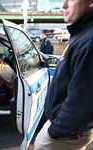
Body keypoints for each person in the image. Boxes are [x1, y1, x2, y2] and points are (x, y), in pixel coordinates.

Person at [34, 0, 93, 149]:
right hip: (67, 131)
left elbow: (82, 102)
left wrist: (54, 132)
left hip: (65, 135)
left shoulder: (89, 41)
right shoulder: (82, 34)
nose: (63, 5)